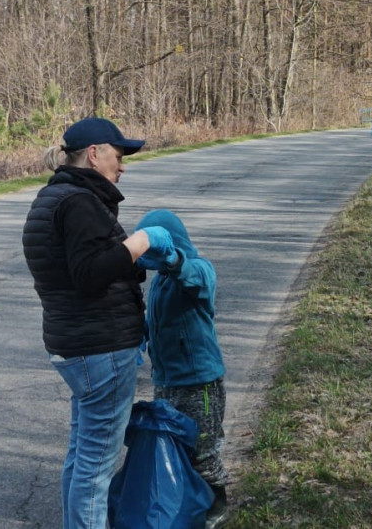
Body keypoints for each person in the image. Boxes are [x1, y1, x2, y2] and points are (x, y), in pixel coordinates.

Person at [22, 116, 178, 529]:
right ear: (94, 154)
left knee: (82, 455)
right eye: (118, 154)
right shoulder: (79, 203)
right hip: (100, 348)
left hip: (76, 345)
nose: (123, 165)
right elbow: (89, 274)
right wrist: (141, 240)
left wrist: (132, 259)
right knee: (96, 469)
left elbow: (77, 268)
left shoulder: (53, 197)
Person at [133, 209, 231, 529]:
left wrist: (174, 260)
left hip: (200, 382)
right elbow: (156, 321)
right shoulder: (159, 282)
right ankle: (188, 502)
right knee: (175, 447)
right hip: (167, 382)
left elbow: (194, 279)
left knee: (202, 447)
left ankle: (217, 501)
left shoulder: (199, 269)